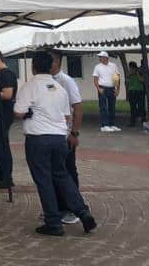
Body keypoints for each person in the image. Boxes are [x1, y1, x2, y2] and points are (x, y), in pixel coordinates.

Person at [14, 51, 97, 237]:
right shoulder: (59, 88)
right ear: (51, 66)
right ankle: (83, 212)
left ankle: (53, 222)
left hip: (38, 138)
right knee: (62, 176)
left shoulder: (30, 86)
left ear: (33, 66)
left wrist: (30, 112)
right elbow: (67, 116)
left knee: (44, 180)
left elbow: (19, 112)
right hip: (59, 138)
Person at [49, 50, 85, 225]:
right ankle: (57, 207)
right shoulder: (45, 80)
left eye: (51, 60)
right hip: (51, 134)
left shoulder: (66, 81)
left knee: (68, 171)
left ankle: (73, 208)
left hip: (66, 134)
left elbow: (77, 107)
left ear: (58, 62)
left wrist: (74, 133)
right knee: (54, 172)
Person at [0, 48, 18, 189]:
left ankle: (6, 177)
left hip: (3, 114)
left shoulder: (6, 74)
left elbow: (7, 94)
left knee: (0, 144)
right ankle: (2, 175)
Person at [92, 51, 122, 132]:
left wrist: (117, 89)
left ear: (106, 58)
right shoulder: (97, 67)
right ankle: (104, 125)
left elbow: (117, 77)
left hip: (112, 88)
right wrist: (98, 88)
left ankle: (112, 124)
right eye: (99, 57)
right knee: (103, 107)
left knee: (112, 107)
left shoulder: (113, 66)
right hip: (102, 88)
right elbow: (95, 79)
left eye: (101, 57)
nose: (99, 58)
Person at [126, 61, 147, 127]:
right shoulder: (129, 74)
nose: (131, 69)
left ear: (135, 68)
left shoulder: (139, 72)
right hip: (132, 91)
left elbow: (142, 80)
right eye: (130, 68)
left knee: (141, 106)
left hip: (139, 91)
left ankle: (143, 119)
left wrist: (137, 74)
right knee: (133, 107)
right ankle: (133, 122)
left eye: (132, 68)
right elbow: (127, 82)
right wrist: (129, 75)